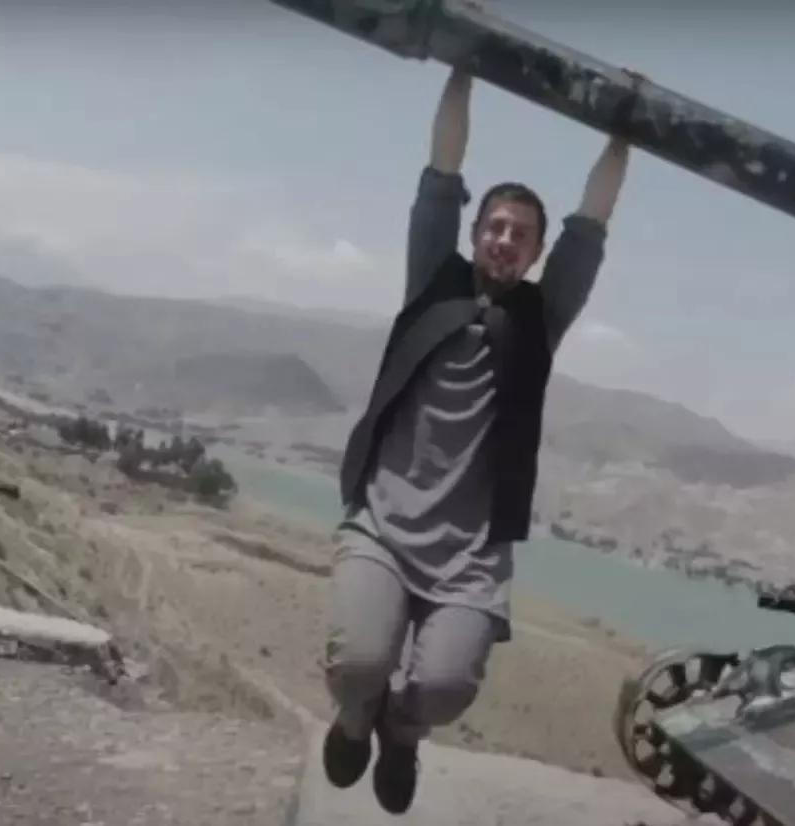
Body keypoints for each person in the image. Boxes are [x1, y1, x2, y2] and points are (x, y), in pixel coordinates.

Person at [321, 65, 634, 815]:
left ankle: (401, 732)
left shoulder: (541, 317)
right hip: (384, 524)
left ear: (535, 254)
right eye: (495, 227)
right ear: (474, 233)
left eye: (520, 235)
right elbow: (443, 170)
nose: (504, 240)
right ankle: (358, 717)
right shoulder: (434, 277)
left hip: (470, 555)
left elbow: (591, 225)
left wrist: (624, 132)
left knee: (445, 686)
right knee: (357, 662)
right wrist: (464, 65)